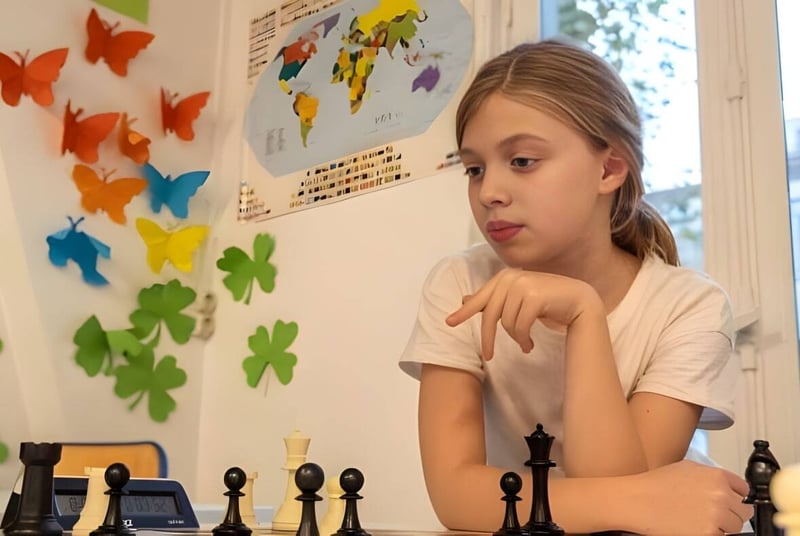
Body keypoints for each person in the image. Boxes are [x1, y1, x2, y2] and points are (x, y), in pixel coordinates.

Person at [399, 39, 753, 535]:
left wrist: (585, 316)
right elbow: (455, 497)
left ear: (609, 169)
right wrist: (637, 499)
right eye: (475, 168)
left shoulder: (689, 307)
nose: (489, 193)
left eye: (522, 161)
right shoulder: (459, 284)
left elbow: (621, 502)